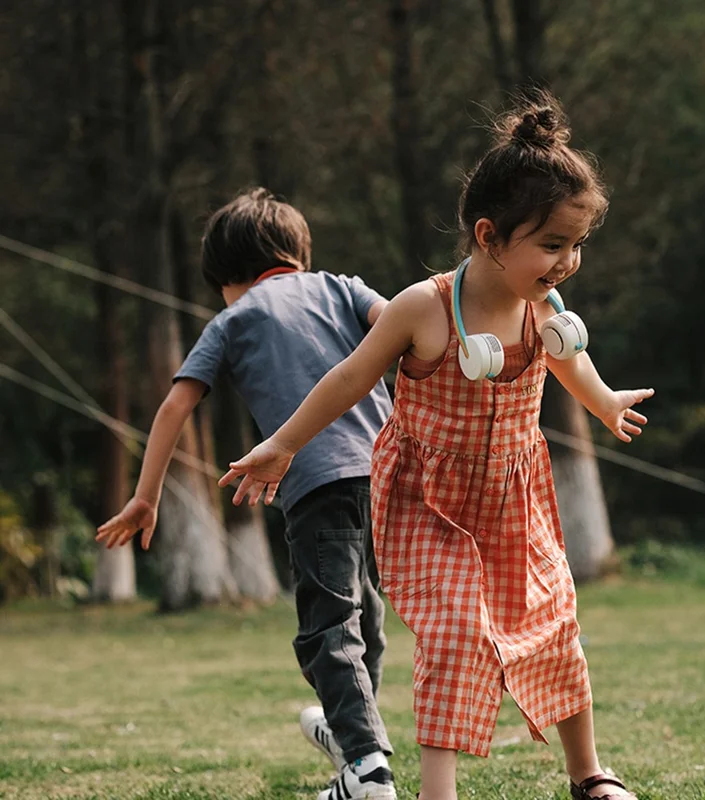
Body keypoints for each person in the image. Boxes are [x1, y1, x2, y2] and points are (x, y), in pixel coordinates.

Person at [219, 91, 653, 800]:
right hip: (429, 500)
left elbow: (568, 359)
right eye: (551, 245)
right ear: (489, 235)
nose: (567, 261)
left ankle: (589, 775)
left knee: (555, 622)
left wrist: (602, 402)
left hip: (515, 495)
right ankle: (436, 791)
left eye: (576, 245)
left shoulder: (542, 304)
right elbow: (352, 375)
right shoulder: (423, 307)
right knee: (453, 633)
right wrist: (284, 442)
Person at [96, 188, 398, 800]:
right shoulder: (342, 287)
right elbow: (405, 327)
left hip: (317, 483)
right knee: (365, 618)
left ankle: (367, 770)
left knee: (328, 628)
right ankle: (353, 741)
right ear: (297, 254)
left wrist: (145, 496)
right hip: (391, 475)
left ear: (229, 276)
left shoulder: (233, 318)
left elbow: (174, 406)